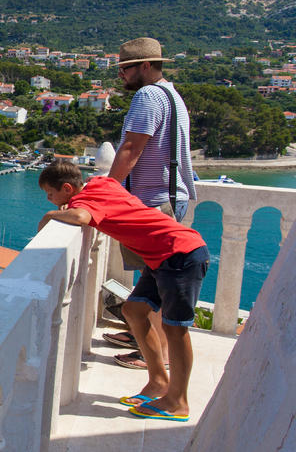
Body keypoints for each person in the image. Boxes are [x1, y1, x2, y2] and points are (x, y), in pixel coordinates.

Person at [38, 160, 209, 422]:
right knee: (133, 310)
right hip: (161, 256)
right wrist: (68, 204)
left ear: (68, 189)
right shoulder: (100, 183)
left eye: (51, 194)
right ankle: (158, 382)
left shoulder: (83, 204)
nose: (50, 201)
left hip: (179, 254)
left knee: (176, 329)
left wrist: (52, 215)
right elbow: (102, 190)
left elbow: (82, 217)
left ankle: (178, 401)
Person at [106, 37, 196, 370]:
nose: (122, 77)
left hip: (155, 203)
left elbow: (131, 148)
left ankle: (156, 354)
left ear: (145, 66)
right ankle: (142, 337)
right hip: (173, 198)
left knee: (160, 282)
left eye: (125, 69)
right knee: (157, 280)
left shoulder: (147, 96)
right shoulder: (172, 95)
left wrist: (106, 189)